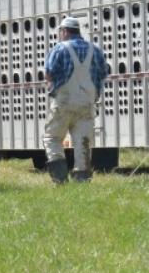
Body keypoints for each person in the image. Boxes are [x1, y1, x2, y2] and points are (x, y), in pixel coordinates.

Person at [42, 16, 109, 184]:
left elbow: (49, 73)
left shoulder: (59, 49)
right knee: (82, 142)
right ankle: (82, 180)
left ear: (64, 31)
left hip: (64, 102)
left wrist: (53, 86)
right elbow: (103, 73)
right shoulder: (95, 50)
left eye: (60, 32)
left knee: (53, 138)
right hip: (86, 103)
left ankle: (60, 179)